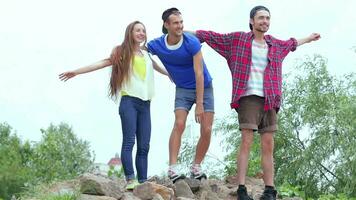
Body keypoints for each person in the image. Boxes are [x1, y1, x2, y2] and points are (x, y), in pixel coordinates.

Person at [191, 5, 320, 200]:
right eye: (261, 18)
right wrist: (181, 31)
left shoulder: (275, 44)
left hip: (270, 98)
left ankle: (269, 190)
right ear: (252, 21)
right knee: (246, 141)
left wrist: (309, 38)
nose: (265, 21)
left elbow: (292, 43)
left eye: (267, 18)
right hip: (248, 97)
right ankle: (242, 189)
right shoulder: (238, 40)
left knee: (268, 144)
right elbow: (210, 36)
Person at [59, 21, 169, 190]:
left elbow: (157, 67)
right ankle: (130, 180)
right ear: (130, 33)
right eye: (137, 30)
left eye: (143, 31)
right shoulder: (122, 52)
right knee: (129, 142)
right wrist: (76, 72)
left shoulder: (146, 53)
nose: (141, 33)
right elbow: (103, 62)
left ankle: (143, 181)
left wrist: (172, 75)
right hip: (129, 102)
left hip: (146, 104)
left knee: (144, 145)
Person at [147, 8, 214, 182]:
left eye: (181, 22)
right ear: (166, 25)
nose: (180, 26)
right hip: (183, 89)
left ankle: (196, 166)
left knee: (206, 129)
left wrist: (199, 104)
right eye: (176, 23)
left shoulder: (191, 42)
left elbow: (199, 73)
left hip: (204, 87)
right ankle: (172, 168)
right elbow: (139, 51)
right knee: (179, 123)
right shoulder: (157, 44)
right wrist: (163, 71)